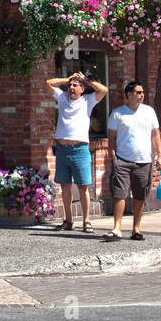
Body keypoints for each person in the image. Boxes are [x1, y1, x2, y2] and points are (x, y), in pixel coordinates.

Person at [46, 71, 106, 232]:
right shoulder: (62, 97)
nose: (71, 88)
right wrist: (67, 79)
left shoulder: (88, 100)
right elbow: (49, 83)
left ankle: (86, 221)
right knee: (64, 186)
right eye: (70, 86)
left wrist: (86, 80)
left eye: (75, 85)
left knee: (83, 187)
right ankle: (68, 220)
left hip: (80, 149)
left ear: (82, 89)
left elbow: (103, 90)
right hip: (62, 149)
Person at [103, 81, 161, 241]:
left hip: (144, 160)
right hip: (122, 159)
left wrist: (160, 156)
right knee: (119, 194)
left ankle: (136, 229)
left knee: (140, 195)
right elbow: (111, 137)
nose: (142, 95)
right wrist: (113, 156)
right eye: (138, 92)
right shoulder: (117, 113)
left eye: (142, 92)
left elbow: (155, 135)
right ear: (129, 94)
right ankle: (117, 228)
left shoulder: (149, 112)